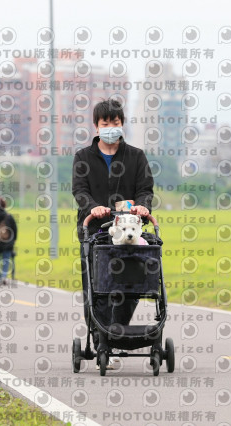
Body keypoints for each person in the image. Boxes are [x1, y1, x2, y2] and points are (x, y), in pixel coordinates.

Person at [72, 98, 154, 368]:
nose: (110, 127)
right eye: (105, 123)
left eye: (115, 123)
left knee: (130, 284)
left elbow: (145, 189)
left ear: (122, 124)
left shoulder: (136, 156)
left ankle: (116, 334)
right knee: (97, 288)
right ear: (96, 127)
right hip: (95, 232)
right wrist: (92, 207)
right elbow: (79, 190)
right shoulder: (83, 157)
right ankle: (101, 340)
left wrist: (143, 205)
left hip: (129, 231)